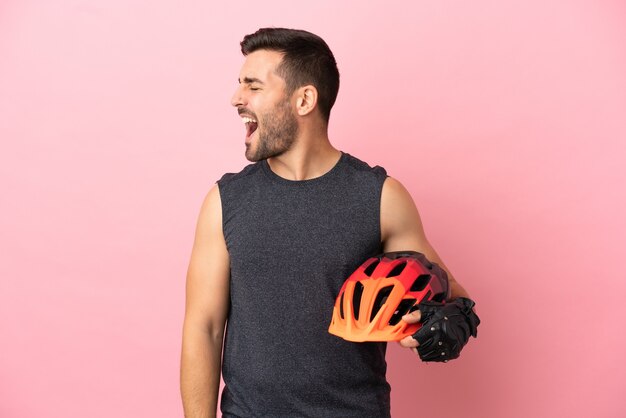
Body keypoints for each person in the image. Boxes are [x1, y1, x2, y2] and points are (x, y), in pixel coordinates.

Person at [180, 27, 479, 418]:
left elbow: (449, 295)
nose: (237, 98)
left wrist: (445, 321)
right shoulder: (225, 201)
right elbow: (203, 327)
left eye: (253, 86)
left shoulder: (381, 197)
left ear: (303, 99)